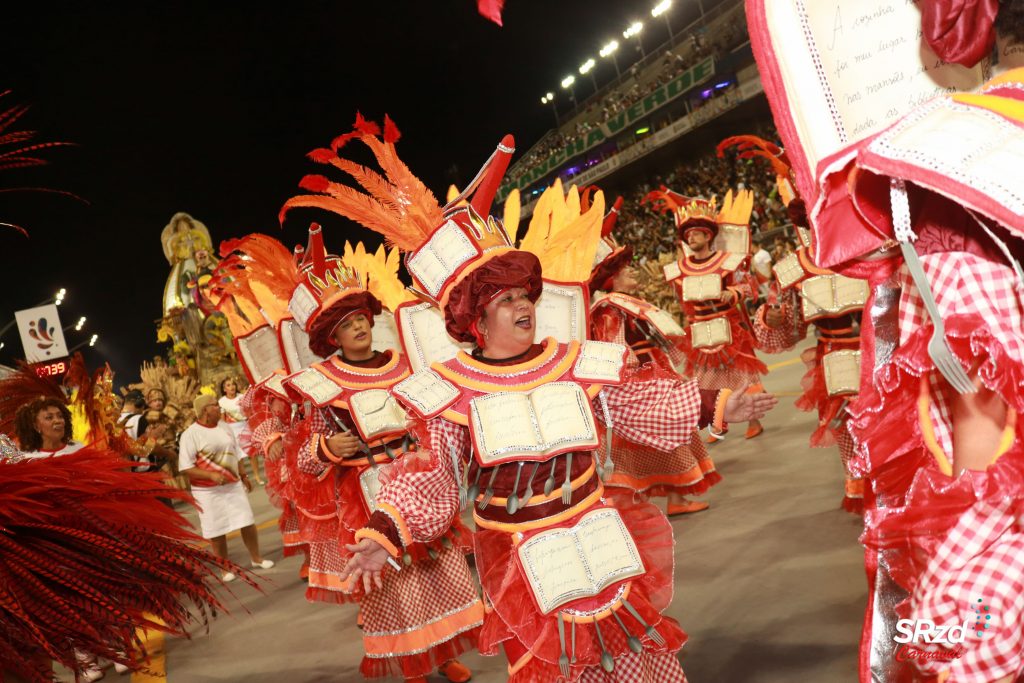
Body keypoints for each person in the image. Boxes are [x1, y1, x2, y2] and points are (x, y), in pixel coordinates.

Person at [283, 116, 777, 681]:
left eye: (525, 295)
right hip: (518, 556)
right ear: (474, 318)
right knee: (557, 665)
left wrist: (716, 405)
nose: (523, 305)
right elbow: (431, 478)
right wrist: (385, 533)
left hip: (596, 528)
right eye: (505, 299)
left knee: (635, 656)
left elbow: (637, 403)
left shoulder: (572, 361)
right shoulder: (450, 390)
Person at [281, 228, 479, 683]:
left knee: (435, 569)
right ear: (332, 337)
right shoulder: (323, 384)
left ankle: (444, 654)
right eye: (347, 323)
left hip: (417, 485)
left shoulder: (403, 364)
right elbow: (304, 461)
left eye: (361, 318)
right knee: (394, 579)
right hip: (366, 493)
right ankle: (413, 661)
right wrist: (328, 448)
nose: (358, 326)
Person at [589, 196, 720, 515]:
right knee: (665, 432)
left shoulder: (620, 303)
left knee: (672, 433)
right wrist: (643, 381)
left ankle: (674, 499)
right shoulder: (609, 308)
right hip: (635, 385)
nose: (633, 271)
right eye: (625, 268)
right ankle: (647, 502)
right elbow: (617, 353)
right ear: (612, 278)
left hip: (650, 376)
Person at [646, 189, 770, 440]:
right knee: (707, 379)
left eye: (696, 234)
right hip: (700, 331)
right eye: (688, 235)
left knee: (740, 375)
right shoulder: (680, 269)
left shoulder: (727, 261)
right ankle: (718, 420)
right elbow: (681, 302)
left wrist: (733, 293)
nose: (691, 239)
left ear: (708, 235)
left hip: (729, 327)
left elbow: (749, 286)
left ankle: (752, 419)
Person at [178, 393, 273, 582]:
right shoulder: (190, 434)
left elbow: (236, 453)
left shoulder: (224, 427)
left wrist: (244, 475)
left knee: (247, 521)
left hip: (233, 485)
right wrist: (211, 475)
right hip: (207, 492)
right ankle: (224, 568)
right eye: (215, 405)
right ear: (205, 410)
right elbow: (186, 468)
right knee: (216, 530)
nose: (219, 408)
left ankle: (256, 558)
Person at [220, 377, 262, 485]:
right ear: (224, 389)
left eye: (233, 384)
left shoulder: (242, 397)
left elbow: (249, 412)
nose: (232, 387)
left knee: (252, 454)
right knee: (238, 457)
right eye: (228, 385)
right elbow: (222, 420)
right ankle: (244, 480)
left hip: (245, 426)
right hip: (232, 429)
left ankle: (257, 476)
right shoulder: (222, 402)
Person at [13, 397, 84, 459]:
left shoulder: (79, 449)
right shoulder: (26, 458)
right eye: (49, 417)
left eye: (60, 416)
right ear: (36, 426)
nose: (58, 421)